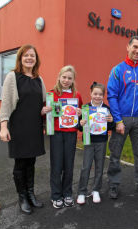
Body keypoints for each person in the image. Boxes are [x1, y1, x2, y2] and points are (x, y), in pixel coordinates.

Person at [0, 44, 48, 214]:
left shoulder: (38, 79)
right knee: (20, 163)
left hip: (34, 127)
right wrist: (3, 126)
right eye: (26, 55)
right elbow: (5, 104)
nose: (29, 58)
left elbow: (42, 104)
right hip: (18, 127)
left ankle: (30, 193)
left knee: (31, 162)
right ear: (20, 58)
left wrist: (46, 111)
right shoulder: (13, 77)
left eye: (32, 56)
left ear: (36, 59)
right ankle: (22, 197)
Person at [107, 36, 138, 199]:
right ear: (128, 47)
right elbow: (111, 95)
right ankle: (113, 184)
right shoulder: (118, 70)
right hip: (121, 119)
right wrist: (118, 120)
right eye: (135, 47)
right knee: (115, 153)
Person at [48, 65, 83, 209]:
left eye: (69, 78)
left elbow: (80, 115)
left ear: (73, 79)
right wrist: (45, 110)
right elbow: (47, 115)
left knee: (69, 165)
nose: (66, 80)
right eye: (64, 77)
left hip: (71, 133)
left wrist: (81, 113)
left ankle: (67, 193)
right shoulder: (52, 94)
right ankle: (56, 195)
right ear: (59, 77)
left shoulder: (77, 95)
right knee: (57, 165)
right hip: (56, 133)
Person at [77, 82, 114, 205]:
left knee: (99, 166)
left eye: (100, 94)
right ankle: (82, 191)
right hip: (88, 140)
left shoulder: (106, 109)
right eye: (95, 94)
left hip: (101, 141)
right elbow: (79, 126)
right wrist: (80, 124)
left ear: (103, 95)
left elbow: (110, 126)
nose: (97, 96)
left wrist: (111, 121)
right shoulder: (86, 108)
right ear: (90, 94)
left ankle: (96, 190)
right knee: (86, 166)